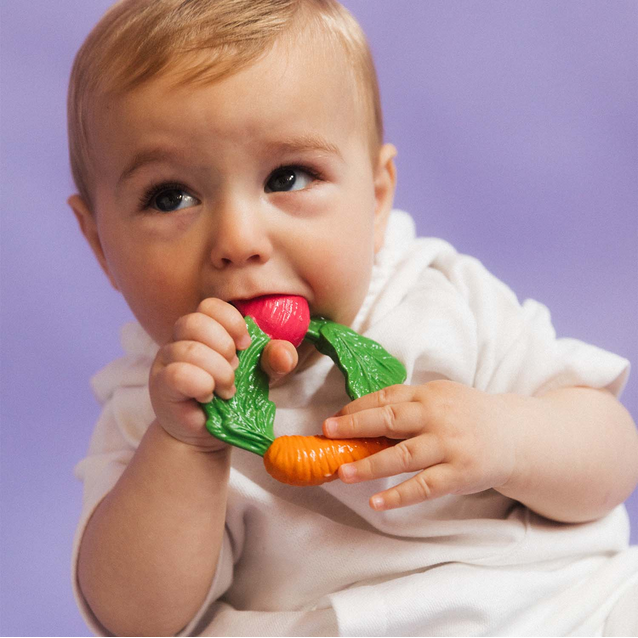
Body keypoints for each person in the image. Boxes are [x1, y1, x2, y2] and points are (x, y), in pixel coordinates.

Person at [68, 0, 638, 635]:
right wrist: (182, 448)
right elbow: (136, 621)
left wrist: (507, 437)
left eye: (288, 176)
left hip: (556, 609)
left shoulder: (439, 298)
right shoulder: (156, 406)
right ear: (101, 245)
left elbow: (611, 458)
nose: (239, 237)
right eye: (169, 197)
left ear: (376, 197)